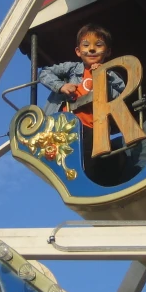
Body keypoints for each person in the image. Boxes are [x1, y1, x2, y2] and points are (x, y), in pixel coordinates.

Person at [38, 24, 125, 180]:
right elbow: (45, 73)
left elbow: (120, 95)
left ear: (108, 51)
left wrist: (102, 77)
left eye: (98, 45)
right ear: (78, 51)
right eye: (86, 45)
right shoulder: (72, 68)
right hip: (66, 123)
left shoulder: (112, 75)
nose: (91, 49)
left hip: (93, 128)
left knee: (89, 162)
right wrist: (61, 86)